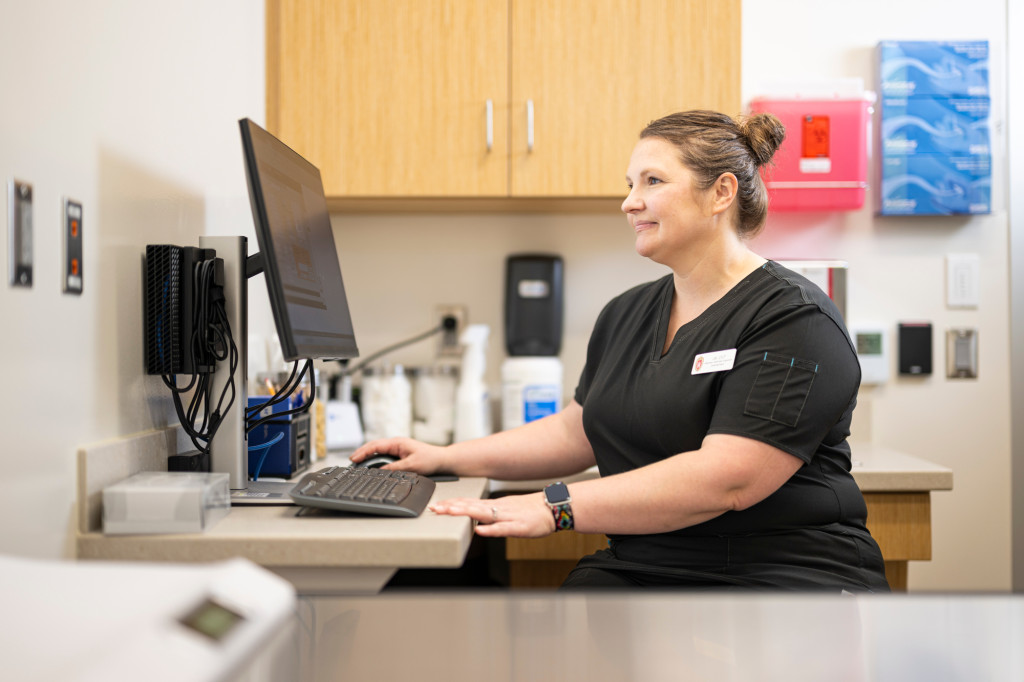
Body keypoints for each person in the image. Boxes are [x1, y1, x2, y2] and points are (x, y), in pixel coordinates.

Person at [351, 110, 890, 592]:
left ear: (722, 192)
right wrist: (444, 456)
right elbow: (574, 431)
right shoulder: (627, 314)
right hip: (647, 564)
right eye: (630, 184)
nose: (629, 201)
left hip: (781, 573)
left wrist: (555, 507)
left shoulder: (793, 319)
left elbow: (729, 478)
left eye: (653, 181)